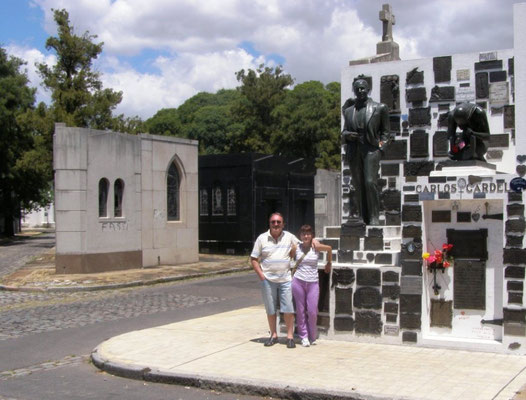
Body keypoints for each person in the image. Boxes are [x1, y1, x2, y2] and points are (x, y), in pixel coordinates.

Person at [251, 213, 318, 349]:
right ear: (269, 223)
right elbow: (254, 259)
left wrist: (315, 240)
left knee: (288, 308)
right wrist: (262, 277)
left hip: (286, 279)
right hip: (268, 280)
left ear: (283, 224)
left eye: (278, 222)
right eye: (273, 222)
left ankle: (289, 336)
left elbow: (304, 242)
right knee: (270, 309)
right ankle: (273, 335)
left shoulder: (289, 237)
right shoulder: (262, 239)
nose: (276, 224)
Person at [342, 78, 390, 225]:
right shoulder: (349, 111)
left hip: (371, 149)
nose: (360, 91)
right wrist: (346, 135)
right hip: (354, 149)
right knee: (358, 184)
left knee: (370, 182)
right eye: (357, 88)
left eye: (363, 88)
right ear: (354, 91)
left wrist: (380, 148)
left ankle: (374, 217)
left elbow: (386, 133)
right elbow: (344, 131)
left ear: (368, 89)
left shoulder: (380, 108)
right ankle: (362, 217)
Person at [291, 225, 332, 347]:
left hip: (313, 282)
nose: (306, 236)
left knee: (312, 310)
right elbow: (287, 257)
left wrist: (329, 263)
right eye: (303, 233)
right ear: (300, 235)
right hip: (298, 281)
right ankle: (303, 336)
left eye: (308, 234)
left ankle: (312, 335)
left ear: (312, 235)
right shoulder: (296, 247)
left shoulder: (316, 246)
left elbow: (329, 249)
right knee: (300, 310)